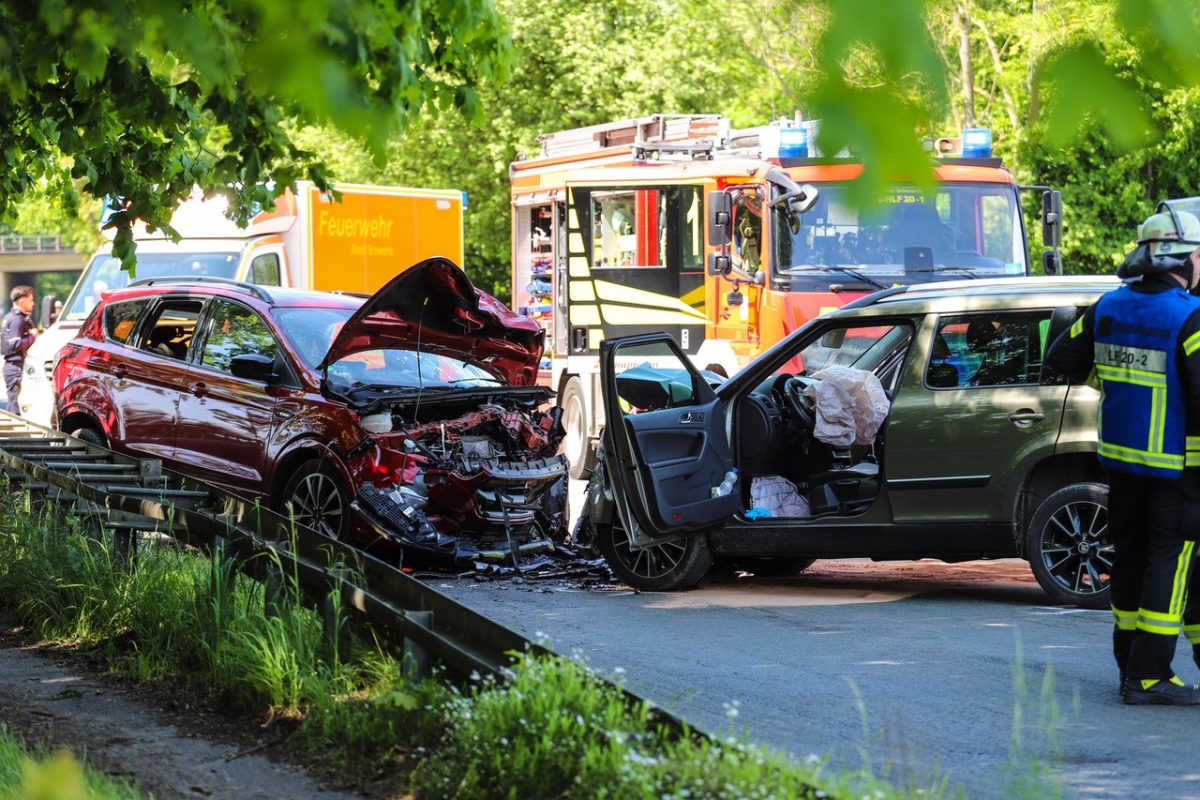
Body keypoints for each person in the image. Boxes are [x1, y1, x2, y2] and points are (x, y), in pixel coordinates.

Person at [1046, 209, 1200, 704]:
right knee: (1170, 564)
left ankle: (1128, 668)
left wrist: (1115, 388)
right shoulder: (1188, 315)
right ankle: (1150, 676)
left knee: (1130, 559)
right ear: (1183, 258)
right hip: (1176, 468)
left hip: (1119, 462)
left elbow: (1061, 361)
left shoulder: (1109, 307)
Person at [1, 285, 37, 416]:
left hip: (12, 367)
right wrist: (32, 336)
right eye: (30, 300)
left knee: (15, 404)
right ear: (22, 300)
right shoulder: (17, 318)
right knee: (17, 408)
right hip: (16, 368)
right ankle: (16, 436)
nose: (33, 303)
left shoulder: (10, 316)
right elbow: (14, 343)